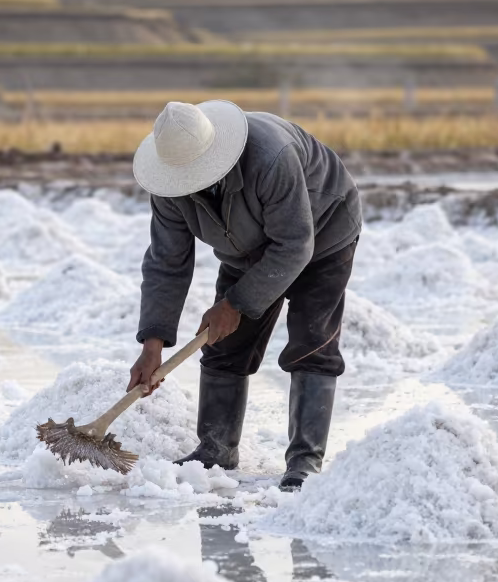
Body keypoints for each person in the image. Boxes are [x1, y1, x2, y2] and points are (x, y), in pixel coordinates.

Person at [127, 100, 362, 491]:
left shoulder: (271, 157)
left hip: (322, 235)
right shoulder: (168, 185)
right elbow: (167, 262)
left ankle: (304, 461)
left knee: (310, 344)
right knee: (223, 346)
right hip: (246, 248)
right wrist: (153, 343)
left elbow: (293, 246)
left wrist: (235, 304)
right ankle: (215, 450)